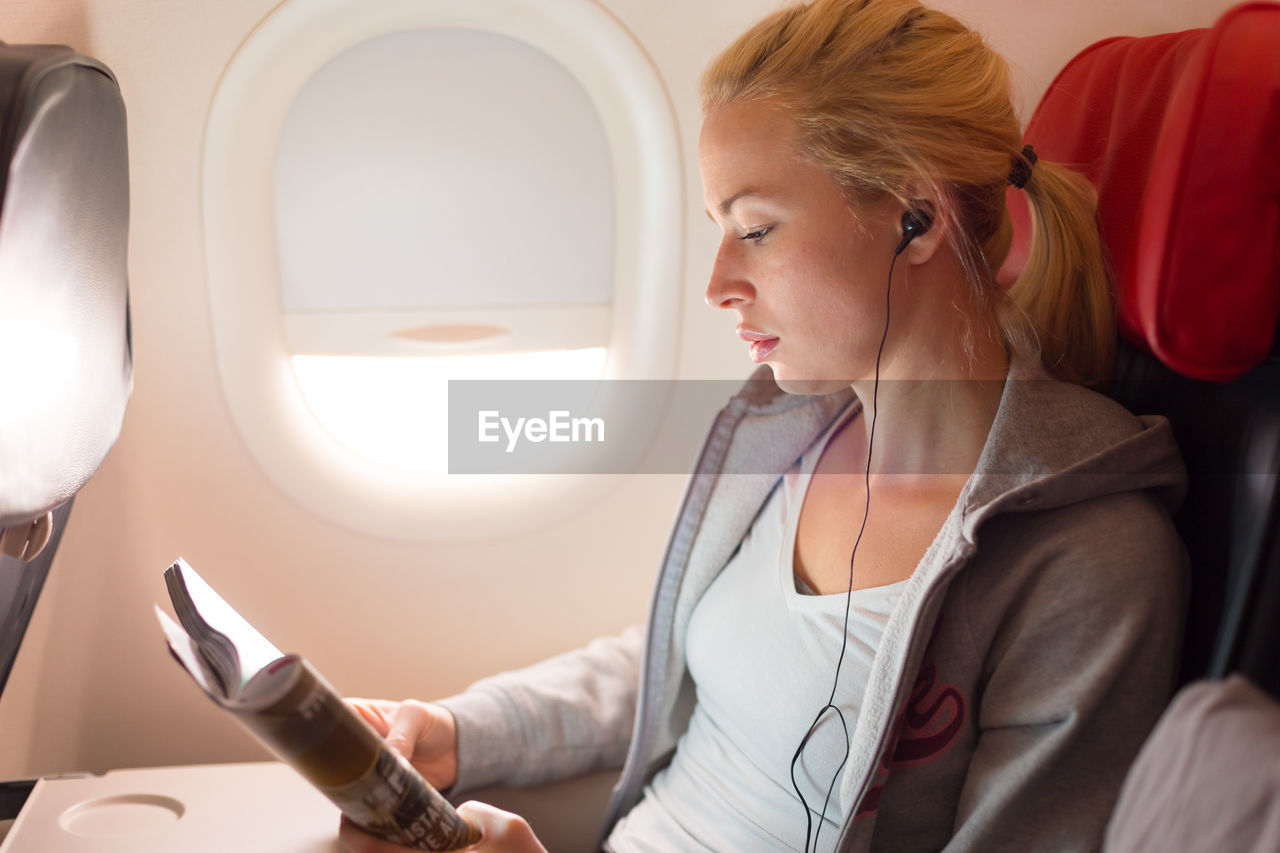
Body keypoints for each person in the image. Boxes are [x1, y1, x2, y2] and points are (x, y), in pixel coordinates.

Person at [340, 0, 1188, 850]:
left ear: (916, 219)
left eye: (756, 229)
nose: (717, 284)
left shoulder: (1088, 558)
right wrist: (458, 728)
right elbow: (682, 660)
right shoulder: (794, 434)